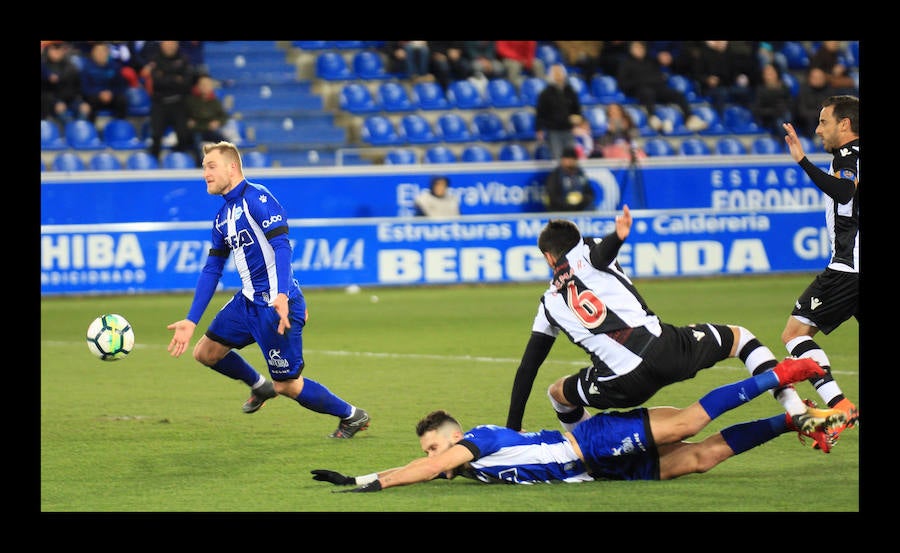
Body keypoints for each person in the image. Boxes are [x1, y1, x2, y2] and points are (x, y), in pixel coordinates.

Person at [505, 208, 845, 453]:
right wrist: (617, 237)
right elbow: (600, 254)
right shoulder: (589, 248)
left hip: (620, 384)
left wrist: (512, 428)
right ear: (576, 241)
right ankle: (798, 413)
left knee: (558, 394)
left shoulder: (548, 303)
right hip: (666, 350)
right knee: (740, 338)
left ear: (549, 259)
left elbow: (527, 368)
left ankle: (587, 456)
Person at [310, 357, 843, 492]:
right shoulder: (470, 468)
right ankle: (797, 420)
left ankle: (782, 373)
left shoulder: (476, 442)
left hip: (589, 441)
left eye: (433, 447)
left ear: (453, 437)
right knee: (701, 459)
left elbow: (420, 473)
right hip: (597, 472)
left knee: (684, 426)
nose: (432, 457)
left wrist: (366, 481)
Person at [166, 141, 371, 439]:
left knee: (288, 385)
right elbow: (212, 269)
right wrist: (191, 320)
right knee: (206, 352)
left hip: (276, 306)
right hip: (247, 303)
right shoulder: (222, 217)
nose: (205, 174)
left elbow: (281, 246)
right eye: (203, 168)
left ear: (231, 167)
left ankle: (352, 415)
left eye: (210, 167)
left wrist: (283, 296)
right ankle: (259, 385)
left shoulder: (257, 199)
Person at [779, 95, 859, 447]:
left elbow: (843, 191)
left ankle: (841, 408)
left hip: (848, 268)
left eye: (824, 121)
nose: (817, 129)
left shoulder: (848, 156)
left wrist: (802, 161)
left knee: (795, 334)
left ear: (845, 124)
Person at [616, 41, 706, 134]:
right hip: (639, 90)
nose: (639, 50)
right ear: (631, 49)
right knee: (647, 92)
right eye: (636, 48)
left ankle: (690, 118)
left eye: (641, 48)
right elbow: (623, 83)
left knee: (678, 94)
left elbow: (661, 78)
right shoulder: (625, 64)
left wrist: (649, 80)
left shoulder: (651, 61)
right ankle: (653, 118)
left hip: (657, 88)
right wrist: (640, 82)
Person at [146, 40, 197, 165]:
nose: (170, 46)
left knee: (184, 135)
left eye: (172, 43)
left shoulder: (184, 59)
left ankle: (179, 161)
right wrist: (175, 78)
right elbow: (157, 83)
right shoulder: (154, 60)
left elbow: (187, 83)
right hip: (159, 103)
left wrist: (165, 77)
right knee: (156, 135)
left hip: (179, 103)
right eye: (167, 43)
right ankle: (153, 164)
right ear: (162, 45)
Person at [535, 63, 583, 161]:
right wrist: (539, 128)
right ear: (551, 75)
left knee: (571, 156)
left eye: (559, 72)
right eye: (555, 72)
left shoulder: (570, 91)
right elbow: (540, 112)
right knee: (557, 157)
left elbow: (577, 109)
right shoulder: (545, 93)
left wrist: (578, 120)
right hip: (553, 130)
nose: (558, 75)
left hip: (568, 129)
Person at [77, 42, 130, 123]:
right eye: (98, 52)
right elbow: (85, 88)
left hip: (112, 96)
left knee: (122, 100)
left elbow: (121, 86)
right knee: (89, 103)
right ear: (93, 54)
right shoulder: (86, 68)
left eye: (103, 51)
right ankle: (90, 129)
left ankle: (119, 126)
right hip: (95, 97)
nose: (100, 54)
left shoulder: (115, 67)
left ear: (107, 53)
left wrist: (111, 93)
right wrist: (99, 93)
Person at [186, 74, 229, 162]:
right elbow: (185, 116)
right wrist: (188, 121)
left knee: (225, 143)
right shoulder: (191, 101)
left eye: (207, 84)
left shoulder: (215, 102)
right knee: (196, 144)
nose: (205, 87)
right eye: (202, 84)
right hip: (196, 130)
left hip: (210, 130)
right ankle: (199, 165)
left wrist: (218, 122)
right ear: (198, 86)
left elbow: (224, 116)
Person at [41, 42, 83, 125]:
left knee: (83, 109)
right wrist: (56, 102)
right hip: (50, 101)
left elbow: (76, 87)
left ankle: (79, 133)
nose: (57, 51)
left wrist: (80, 101)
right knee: (61, 112)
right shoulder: (43, 67)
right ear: (47, 50)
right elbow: (44, 91)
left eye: (59, 48)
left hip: (70, 99)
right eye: (54, 48)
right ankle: (67, 132)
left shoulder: (70, 66)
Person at [543, 146, 595, 211]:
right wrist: (567, 202)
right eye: (567, 159)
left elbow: (590, 193)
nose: (570, 161)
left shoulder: (580, 174)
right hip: (561, 209)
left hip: (580, 208)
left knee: (591, 208)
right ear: (563, 160)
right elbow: (552, 196)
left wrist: (581, 199)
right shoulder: (556, 175)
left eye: (573, 159)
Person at [751, 63, 793, 138]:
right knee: (779, 123)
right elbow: (757, 110)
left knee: (787, 117)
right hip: (769, 118)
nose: (769, 76)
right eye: (767, 74)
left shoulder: (784, 88)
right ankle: (783, 144)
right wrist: (773, 111)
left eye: (771, 73)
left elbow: (790, 103)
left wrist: (782, 109)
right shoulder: (760, 90)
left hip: (784, 114)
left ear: (776, 73)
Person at [793, 67, 834, 139]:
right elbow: (801, 111)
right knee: (810, 120)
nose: (817, 79)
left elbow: (830, 110)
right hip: (806, 121)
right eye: (814, 77)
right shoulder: (803, 90)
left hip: (823, 120)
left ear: (824, 78)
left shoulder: (830, 92)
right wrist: (816, 114)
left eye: (820, 77)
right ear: (809, 78)